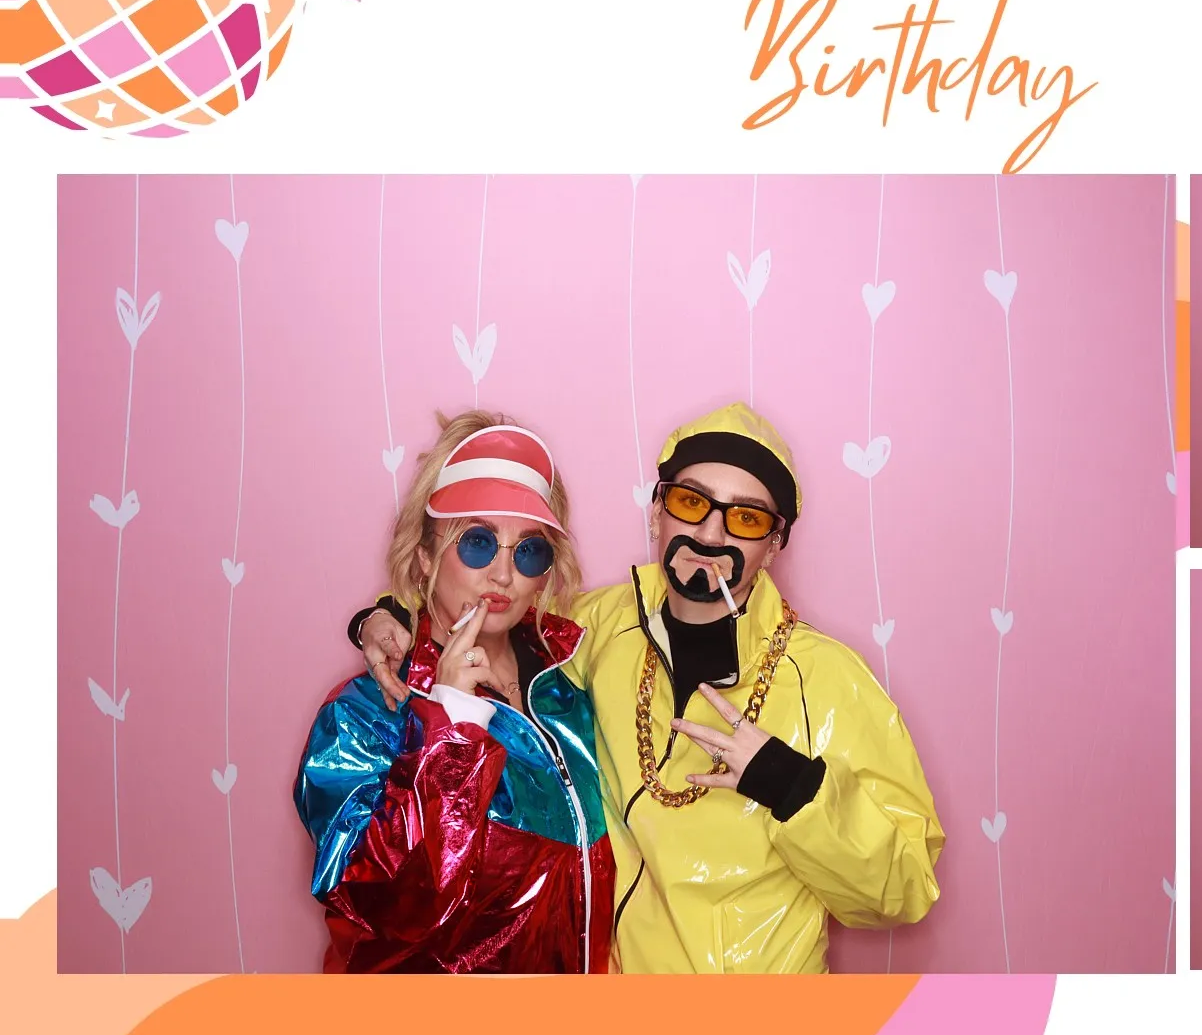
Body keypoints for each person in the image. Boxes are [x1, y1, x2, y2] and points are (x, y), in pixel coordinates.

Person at [353, 402, 944, 973]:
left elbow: (906, 889)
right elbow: (493, 597)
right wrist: (390, 615)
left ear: (775, 544)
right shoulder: (594, 630)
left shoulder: (828, 678)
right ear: (657, 510)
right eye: (691, 502)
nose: (711, 534)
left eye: (746, 518)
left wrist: (790, 786)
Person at [294, 412, 615, 973]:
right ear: (424, 555)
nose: (502, 573)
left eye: (529, 551)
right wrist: (453, 724)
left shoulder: (571, 686)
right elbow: (385, 906)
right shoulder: (365, 714)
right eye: (477, 542)